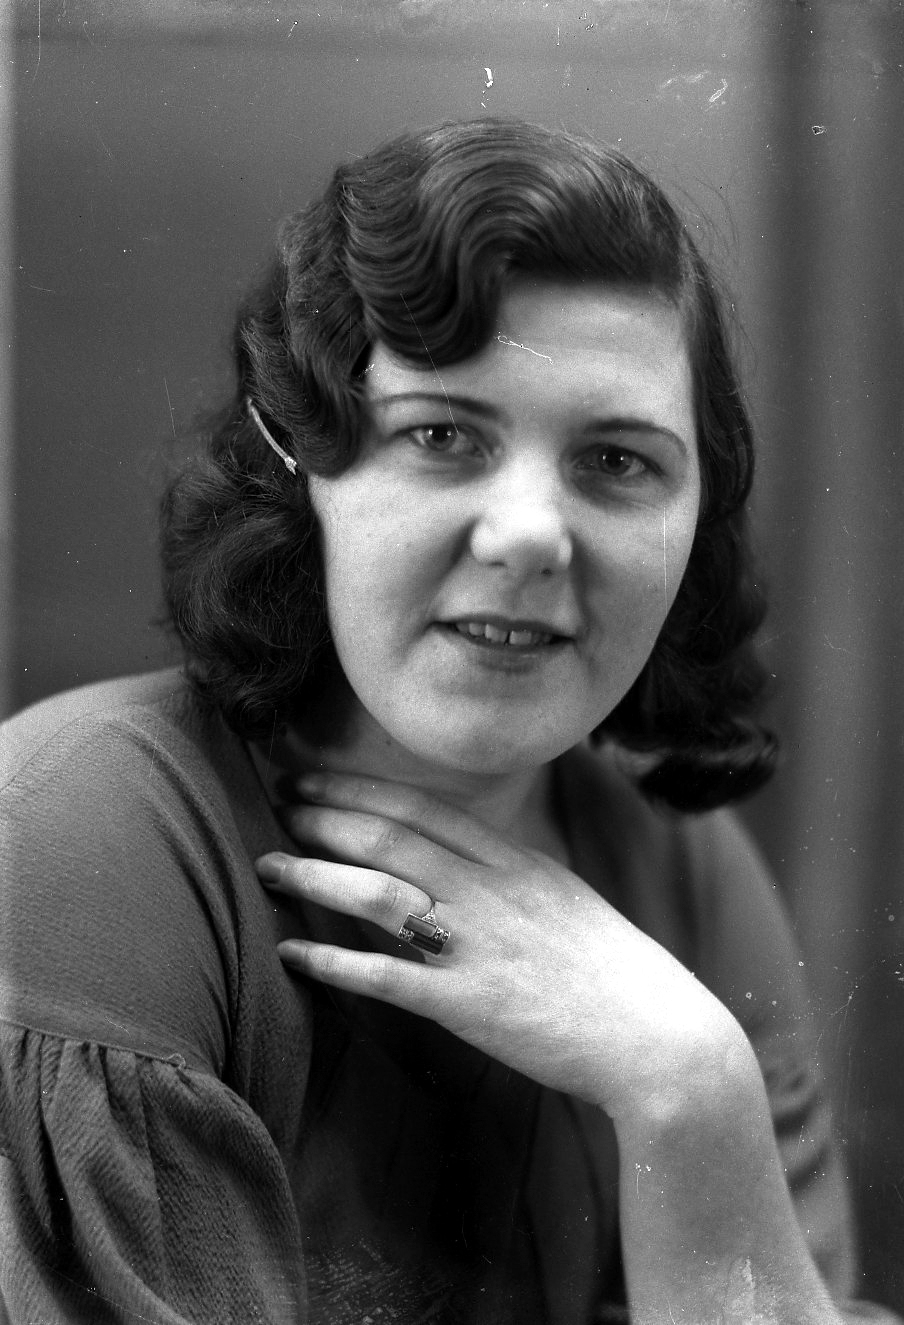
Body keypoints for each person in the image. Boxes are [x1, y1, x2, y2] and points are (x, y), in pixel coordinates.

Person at [0, 118, 898, 1325]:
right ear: (300, 467)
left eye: (617, 460)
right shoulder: (84, 838)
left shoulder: (683, 865)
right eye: (439, 435)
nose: (529, 535)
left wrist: (688, 1088)